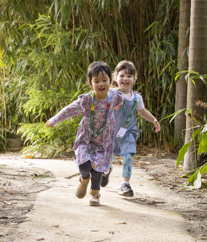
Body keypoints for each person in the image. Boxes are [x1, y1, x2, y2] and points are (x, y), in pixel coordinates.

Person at [45, 62, 123, 206]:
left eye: (104, 80)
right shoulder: (87, 100)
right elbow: (70, 109)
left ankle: (95, 194)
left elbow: (122, 102)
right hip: (85, 138)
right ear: (90, 83)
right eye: (96, 81)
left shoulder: (114, 97)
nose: (101, 84)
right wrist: (55, 119)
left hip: (103, 140)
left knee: (98, 169)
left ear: (110, 82)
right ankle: (84, 179)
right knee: (85, 165)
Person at [101, 60, 160, 197]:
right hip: (110, 134)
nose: (125, 79)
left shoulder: (136, 98)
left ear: (134, 79)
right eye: (122, 75)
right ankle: (105, 172)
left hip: (128, 133)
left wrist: (153, 119)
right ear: (115, 78)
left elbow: (142, 111)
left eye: (129, 76)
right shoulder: (111, 94)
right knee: (107, 161)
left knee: (128, 156)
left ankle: (125, 184)